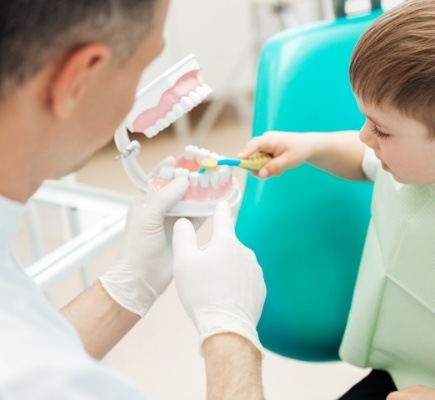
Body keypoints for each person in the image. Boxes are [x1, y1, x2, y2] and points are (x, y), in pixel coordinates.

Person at [239, 0, 435, 398]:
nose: (364, 137)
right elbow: (361, 159)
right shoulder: (426, 164)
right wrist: (309, 146)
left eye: (382, 130)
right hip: (408, 364)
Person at [0, 0, 265, 398]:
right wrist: (230, 333)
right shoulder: (45, 379)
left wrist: (127, 286)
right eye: (143, 65)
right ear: (77, 80)